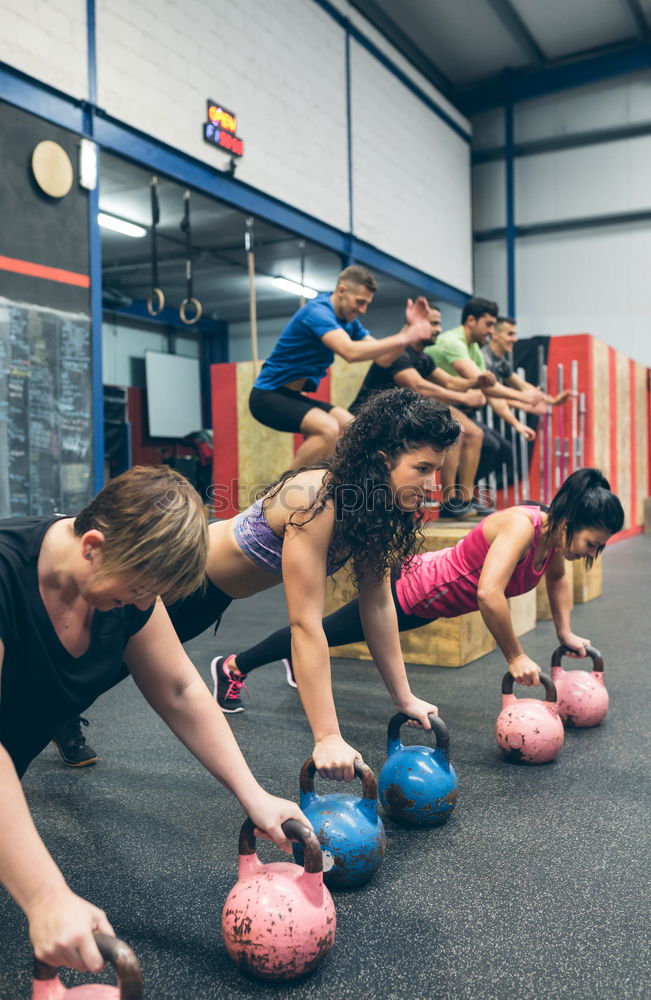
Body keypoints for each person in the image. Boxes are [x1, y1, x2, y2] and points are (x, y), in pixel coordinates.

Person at [0, 466, 308, 974]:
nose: (140, 608)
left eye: (152, 595)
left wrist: (254, 795)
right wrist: (46, 895)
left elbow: (181, 689)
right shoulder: (6, 576)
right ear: (92, 545)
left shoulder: (127, 590)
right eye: (136, 590)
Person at [167, 388, 461, 779]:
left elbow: (377, 604)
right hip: (176, 577)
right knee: (109, 667)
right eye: (422, 469)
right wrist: (327, 737)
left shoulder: (378, 506)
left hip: (212, 597)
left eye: (436, 471)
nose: (431, 484)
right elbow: (305, 624)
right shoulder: (317, 497)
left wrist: (403, 697)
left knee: (113, 665)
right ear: (382, 459)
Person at [222, 469, 624, 689]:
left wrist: (565, 634)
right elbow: (489, 594)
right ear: (570, 522)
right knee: (321, 632)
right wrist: (516, 656)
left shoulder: (555, 539)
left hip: (429, 596)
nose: (591, 553)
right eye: (592, 543)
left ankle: (290, 658)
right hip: (410, 592)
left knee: (326, 635)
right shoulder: (523, 527)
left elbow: (557, 581)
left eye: (598, 548)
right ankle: (234, 666)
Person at [249, 265, 433, 469]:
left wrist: (407, 329)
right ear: (342, 290)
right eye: (360, 302)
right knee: (327, 429)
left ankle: (327, 486)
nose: (362, 310)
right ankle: (281, 493)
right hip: (267, 396)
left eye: (367, 304)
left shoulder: (348, 322)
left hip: (292, 395)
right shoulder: (318, 312)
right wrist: (406, 336)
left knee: (352, 426)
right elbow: (350, 352)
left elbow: (383, 359)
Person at [349, 301, 497, 519]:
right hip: (369, 423)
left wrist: (477, 380)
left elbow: (449, 382)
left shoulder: (423, 358)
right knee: (459, 429)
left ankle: (460, 500)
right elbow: (417, 385)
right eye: (433, 323)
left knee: (472, 432)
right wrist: (464, 397)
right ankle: (448, 501)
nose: (438, 329)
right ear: (415, 325)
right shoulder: (399, 353)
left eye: (439, 324)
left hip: (397, 422)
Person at [427, 298, 540, 506]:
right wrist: (522, 397)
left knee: (498, 449)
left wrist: (517, 421)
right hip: (435, 403)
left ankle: (463, 497)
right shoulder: (453, 342)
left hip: (453, 404)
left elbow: (487, 392)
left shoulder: (475, 349)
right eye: (488, 324)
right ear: (471, 320)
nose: (490, 330)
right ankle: (451, 501)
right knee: (465, 432)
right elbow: (484, 386)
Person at [482, 316, 577, 416]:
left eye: (515, 334)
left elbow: (522, 385)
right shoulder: (484, 358)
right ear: (495, 334)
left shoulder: (501, 361)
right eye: (510, 334)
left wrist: (553, 400)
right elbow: (489, 393)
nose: (514, 339)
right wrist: (523, 402)